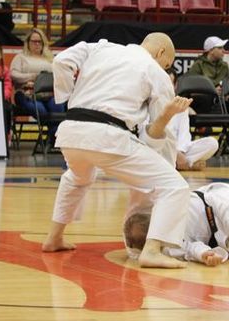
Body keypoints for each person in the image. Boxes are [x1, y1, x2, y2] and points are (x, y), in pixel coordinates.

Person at [42, 34, 193, 270]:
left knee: (77, 177)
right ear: (161, 53)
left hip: (70, 132)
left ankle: (54, 238)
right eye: (167, 64)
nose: (165, 69)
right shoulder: (154, 71)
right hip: (109, 138)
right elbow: (160, 129)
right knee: (175, 187)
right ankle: (152, 251)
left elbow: (61, 61)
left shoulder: (101, 47)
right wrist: (167, 166)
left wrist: (67, 96)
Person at [124, 182, 229, 266]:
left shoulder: (165, 208)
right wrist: (204, 254)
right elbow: (190, 248)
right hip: (222, 239)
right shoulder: (166, 249)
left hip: (218, 204)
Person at [10, 28, 65, 133]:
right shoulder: (20, 57)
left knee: (58, 107)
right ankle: (53, 138)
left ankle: (53, 138)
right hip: (27, 93)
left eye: (40, 41)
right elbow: (13, 74)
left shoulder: (50, 58)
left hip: (49, 94)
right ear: (28, 42)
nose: (37, 44)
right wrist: (32, 76)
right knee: (41, 111)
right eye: (34, 41)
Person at [167, 69, 218, 170]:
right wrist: (175, 153)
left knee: (212, 143)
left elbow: (184, 135)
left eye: (170, 83)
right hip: (159, 149)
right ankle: (188, 165)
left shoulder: (181, 104)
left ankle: (179, 164)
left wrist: (179, 152)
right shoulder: (150, 102)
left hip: (179, 151)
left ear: (175, 85)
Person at [187, 36, 229, 112]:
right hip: (205, 97)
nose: (223, 50)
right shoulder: (198, 65)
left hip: (221, 96)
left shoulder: (225, 66)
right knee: (206, 100)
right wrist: (212, 91)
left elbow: (228, 82)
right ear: (211, 50)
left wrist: (226, 92)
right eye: (220, 48)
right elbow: (193, 88)